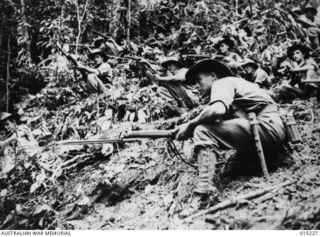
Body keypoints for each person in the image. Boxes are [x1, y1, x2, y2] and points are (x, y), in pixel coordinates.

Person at [175, 59, 285, 200]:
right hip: (271, 129)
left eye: (199, 80)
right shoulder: (236, 84)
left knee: (202, 130)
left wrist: (191, 125)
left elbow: (216, 111)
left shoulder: (222, 83)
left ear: (213, 77)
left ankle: (204, 188)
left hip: (265, 127)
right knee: (229, 169)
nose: (196, 86)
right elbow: (227, 122)